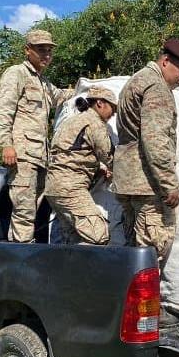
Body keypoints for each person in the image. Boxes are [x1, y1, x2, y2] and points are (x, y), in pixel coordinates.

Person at [112, 39, 179, 265]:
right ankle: (146, 301)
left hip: (128, 179)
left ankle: (128, 300)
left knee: (134, 252)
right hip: (147, 184)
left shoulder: (137, 80)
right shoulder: (157, 87)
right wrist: (168, 183)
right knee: (151, 253)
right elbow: (155, 140)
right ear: (165, 61)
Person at [0, 29, 75, 242]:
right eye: (41, 50)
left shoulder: (44, 83)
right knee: (24, 214)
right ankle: (18, 264)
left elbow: (61, 96)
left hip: (40, 158)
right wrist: (6, 144)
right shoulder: (16, 73)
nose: (46, 55)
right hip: (22, 156)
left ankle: (26, 258)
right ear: (27, 50)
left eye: (49, 51)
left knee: (35, 214)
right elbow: (3, 110)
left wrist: (86, 89)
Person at [45, 86, 117, 245]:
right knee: (98, 235)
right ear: (100, 103)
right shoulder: (94, 124)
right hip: (70, 188)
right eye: (112, 107)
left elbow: (70, 153)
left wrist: (99, 169)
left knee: (72, 239)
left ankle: (70, 269)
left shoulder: (72, 122)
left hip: (54, 187)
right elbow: (110, 157)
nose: (114, 113)